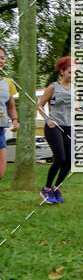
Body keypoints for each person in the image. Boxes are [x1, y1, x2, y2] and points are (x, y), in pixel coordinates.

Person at [37, 57, 73, 204]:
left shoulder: (74, 88)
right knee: (60, 158)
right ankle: (46, 189)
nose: (73, 75)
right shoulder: (53, 87)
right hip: (54, 127)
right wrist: (47, 119)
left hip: (68, 127)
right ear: (62, 71)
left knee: (69, 161)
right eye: (70, 72)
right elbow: (39, 105)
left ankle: (56, 188)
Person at [0, 45, 19, 182]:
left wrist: (15, 120)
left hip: (1, 129)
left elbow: (11, 106)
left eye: (2, 58)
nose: (1, 61)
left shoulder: (8, 82)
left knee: (1, 171)